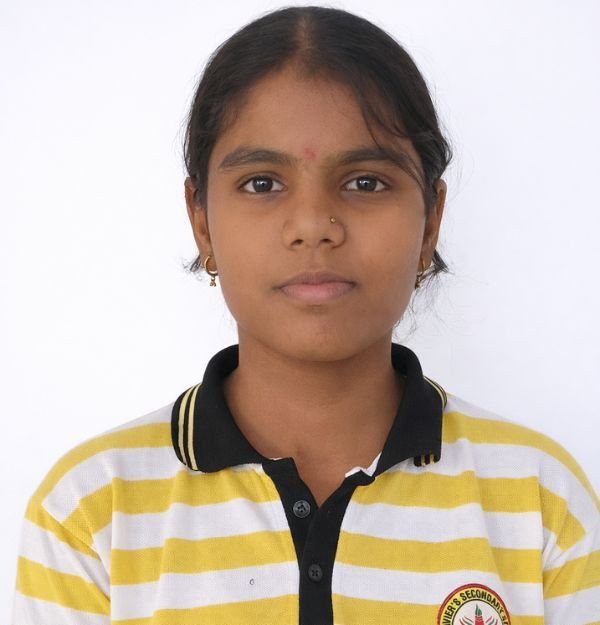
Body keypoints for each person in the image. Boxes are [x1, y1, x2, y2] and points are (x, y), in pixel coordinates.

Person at [11, 6, 599, 625]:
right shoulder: (92, 514)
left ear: (431, 221)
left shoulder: (540, 503)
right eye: (262, 183)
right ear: (201, 221)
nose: (315, 225)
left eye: (365, 182)